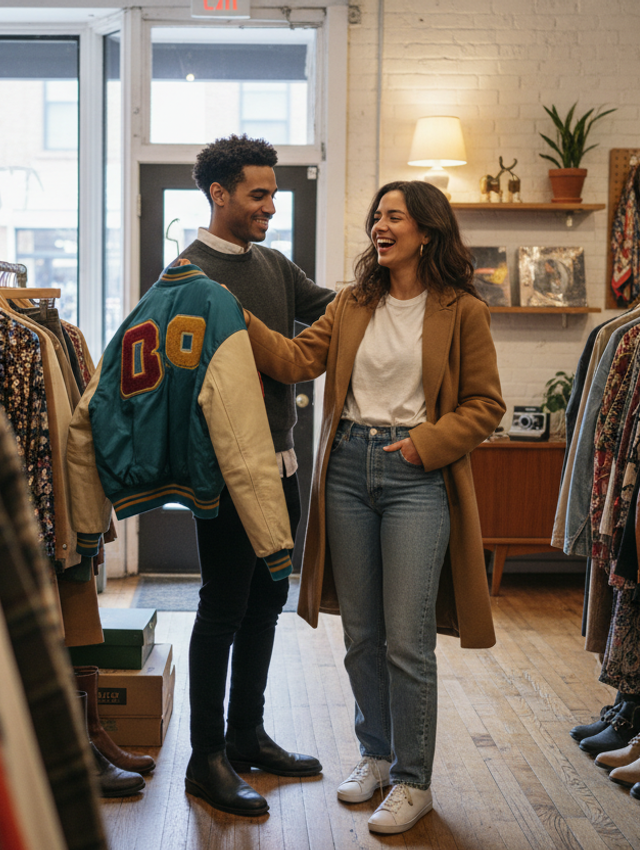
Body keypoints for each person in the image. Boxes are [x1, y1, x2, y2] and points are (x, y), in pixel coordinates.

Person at [240, 180, 505, 834]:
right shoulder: (355, 302)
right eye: (376, 217)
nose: (379, 227)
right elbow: (300, 359)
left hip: (417, 473)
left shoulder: (463, 310)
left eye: (394, 217)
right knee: (361, 633)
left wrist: (424, 445)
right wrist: (238, 318)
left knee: (407, 639)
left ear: (426, 231)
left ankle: (415, 781)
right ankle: (377, 756)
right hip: (349, 469)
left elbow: (485, 406)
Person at [178, 134, 335, 818]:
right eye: (258, 194)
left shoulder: (273, 265)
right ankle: (204, 757)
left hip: (284, 464)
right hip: (228, 474)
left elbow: (336, 308)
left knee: (267, 603)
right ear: (219, 194)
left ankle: (246, 735)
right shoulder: (184, 277)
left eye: (274, 193)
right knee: (222, 608)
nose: (270, 205)